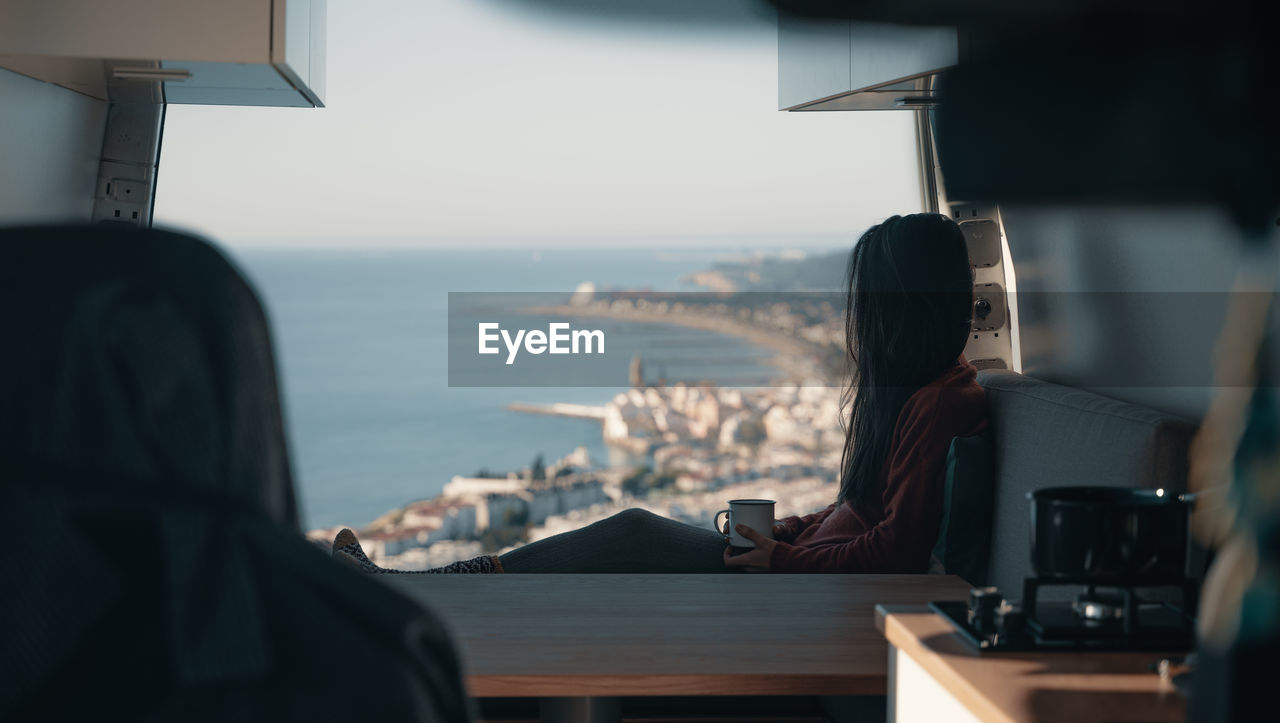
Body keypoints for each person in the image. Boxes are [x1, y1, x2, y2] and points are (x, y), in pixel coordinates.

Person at [334, 212, 987, 575]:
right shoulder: (931, 391)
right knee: (628, 538)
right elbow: (863, 511)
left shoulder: (938, 404)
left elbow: (895, 550)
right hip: (797, 573)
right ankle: (429, 590)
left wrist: (781, 559)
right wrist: (786, 532)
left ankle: (426, 590)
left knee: (630, 534)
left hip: (805, 592)